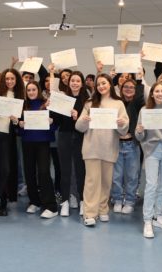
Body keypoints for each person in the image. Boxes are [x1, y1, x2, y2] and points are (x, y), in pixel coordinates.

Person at [75, 74, 129, 227]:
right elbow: (78, 127)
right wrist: (83, 120)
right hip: (91, 148)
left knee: (106, 182)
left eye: (104, 83)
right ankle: (90, 213)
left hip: (109, 148)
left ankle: (103, 209)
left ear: (110, 84)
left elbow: (124, 129)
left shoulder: (118, 104)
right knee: (92, 181)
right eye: (98, 84)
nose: (101, 86)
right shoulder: (90, 103)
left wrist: (121, 123)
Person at [135, 82, 162, 238]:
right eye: (157, 91)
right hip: (151, 150)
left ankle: (157, 215)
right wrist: (139, 131)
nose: (160, 93)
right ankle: (147, 220)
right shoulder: (144, 110)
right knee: (152, 184)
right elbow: (139, 136)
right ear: (152, 94)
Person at [16, 81, 58, 219]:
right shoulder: (23, 106)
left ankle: (51, 206)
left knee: (44, 172)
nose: (31, 92)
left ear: (38, 90)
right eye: (29, 90)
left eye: (34, 89)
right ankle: (35, 201)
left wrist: (51, 122)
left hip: (42, 143)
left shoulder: (47, 104)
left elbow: (54, 126)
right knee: (29, 173)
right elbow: (18, 130)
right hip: (27, 143)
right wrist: (19, 125)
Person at [0, 68, 25, 216]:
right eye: (7, 78)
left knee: (6, 170)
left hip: (8, 137)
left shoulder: (20, 96)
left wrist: (16, 121)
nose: (9, 81)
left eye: (12, 79)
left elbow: (20, 121)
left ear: (17, 81)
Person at [55, 71, 90, 216]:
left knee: (81, 170)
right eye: (72, 81)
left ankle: (82, 201)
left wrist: (78, 117)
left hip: (80, 137)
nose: (75, 83)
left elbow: (88, 121)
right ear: (68, 83)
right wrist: (52, 108)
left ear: (82, 83)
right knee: (65, 170)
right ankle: (65, 202)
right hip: (64, 136)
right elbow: (56, 122)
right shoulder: (62, 98)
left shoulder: (87, 101)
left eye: (77, 81)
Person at [111, 74, 145, 215]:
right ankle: (117, 199)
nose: (129, 89)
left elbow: (140, 92)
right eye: (126, 87)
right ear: (120, 88)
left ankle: (130, 201)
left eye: (132, 87)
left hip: (132, 144)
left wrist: (139, 78)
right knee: (117, 175)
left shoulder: (138, 104)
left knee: (132, 175)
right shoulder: (116, 103)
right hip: (117, 144)